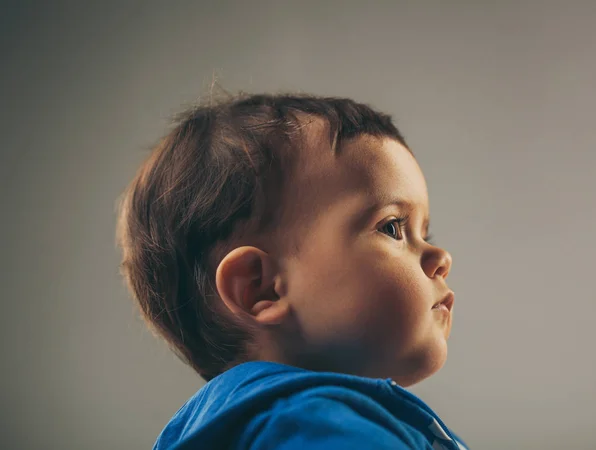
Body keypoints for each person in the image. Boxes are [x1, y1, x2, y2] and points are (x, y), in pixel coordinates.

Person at [116, 92, 469, 449]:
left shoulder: (270, 423)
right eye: (392, 227)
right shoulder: (315, 425)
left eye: (424, 233)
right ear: (261, 288)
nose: (441, 257)